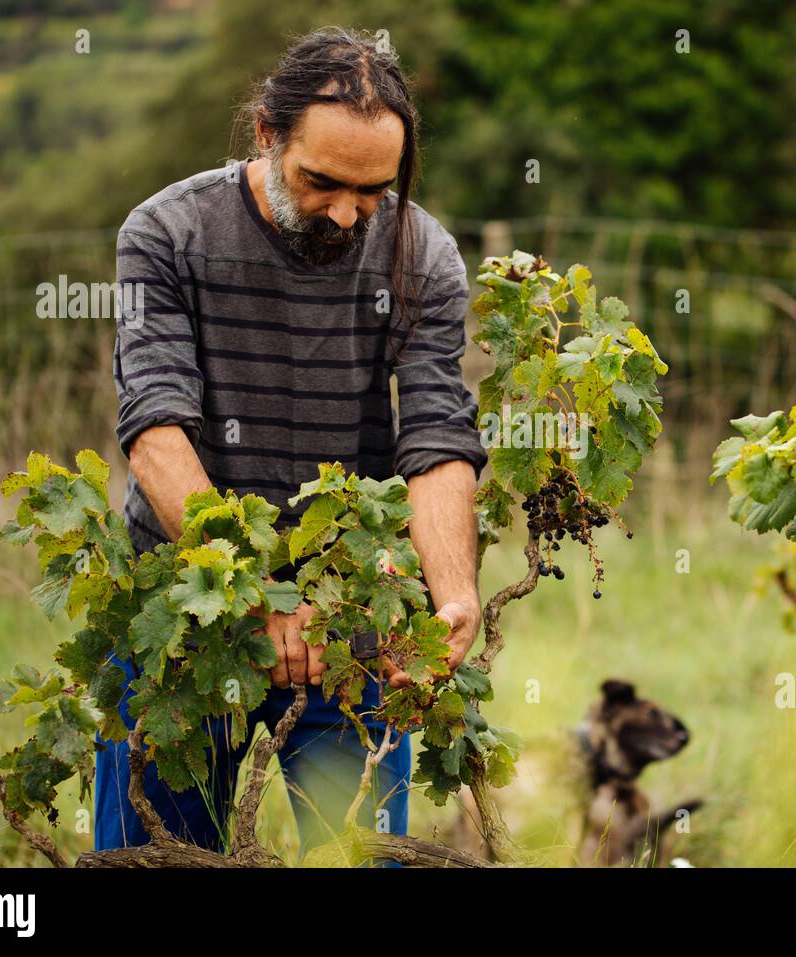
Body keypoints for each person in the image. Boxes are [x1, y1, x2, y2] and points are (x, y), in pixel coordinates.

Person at [95, 26, 487, 861]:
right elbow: (157, 431)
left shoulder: (426, 257)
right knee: (157, 858)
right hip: (187, 617)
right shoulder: (165, 234)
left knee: (359, 861)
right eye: (324, 182)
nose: (348, 212)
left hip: (353, 627)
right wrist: (258, 599)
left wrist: (454, 591)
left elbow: (435, 437)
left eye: (373, 191)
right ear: (267, 134)